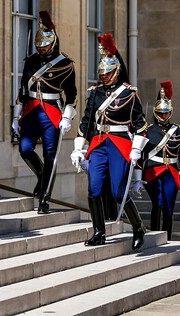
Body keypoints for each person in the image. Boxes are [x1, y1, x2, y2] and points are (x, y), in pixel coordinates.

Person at [71, 33, 147, 250]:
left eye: (108, 73)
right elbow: (86, 122)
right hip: (98, 144)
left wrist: (136, 149)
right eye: (102, 73)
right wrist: (78, 148)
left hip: (120, 143)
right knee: (94, 189)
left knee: (118, 192)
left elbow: (140, 124)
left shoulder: (129, 94)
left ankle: (138, 226)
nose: (103, 77)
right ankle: (98, 231)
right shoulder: (94, 94)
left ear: (116, 72)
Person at [12, 10, 77, 214]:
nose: (41, 50)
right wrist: (16, 115)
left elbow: (72, 95)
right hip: (31, 110)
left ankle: (45, 198)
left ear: (53, 42)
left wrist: (67, 117)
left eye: (45, 46)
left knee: (50, 155)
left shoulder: (66, 64)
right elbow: (23, 89)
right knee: (25, 149)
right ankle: (42, 176)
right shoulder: (30, 61)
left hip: (52, 112)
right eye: (39, 46)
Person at [130, 81, 180, 241]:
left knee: (169, 207)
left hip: (171, 172)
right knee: (158, 203)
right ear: (155, 113)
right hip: (153, 172)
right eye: (161, 113)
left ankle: (167, 238)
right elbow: (141, 157)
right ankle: (155, 236)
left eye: (166, 113)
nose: (164, 116)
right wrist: (138, 179)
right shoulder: (148, 131)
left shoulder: (178, 131)